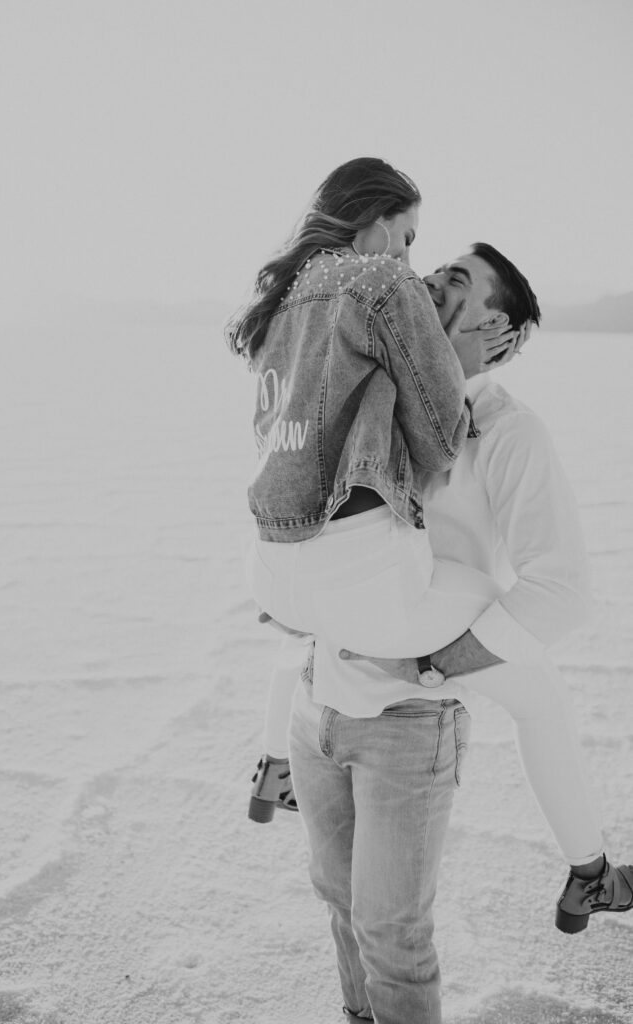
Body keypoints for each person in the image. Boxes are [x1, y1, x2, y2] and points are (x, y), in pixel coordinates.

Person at [285, 243, 633, 1024]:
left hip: (408, 723)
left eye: (455, 283)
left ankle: (589, 868)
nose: (430, 282)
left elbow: (561, 592)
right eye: (435, 271)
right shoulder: (370, 386)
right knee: (339, 909)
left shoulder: (508, 433)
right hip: (319, 702)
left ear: (499, 331)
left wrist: (437, 664)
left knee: (392, 938)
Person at [226, 157, 519, 823]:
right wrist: (459, 363)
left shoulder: (280, 299)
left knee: (329, 643)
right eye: (406, 236)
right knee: (510, 611)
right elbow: (440, 440)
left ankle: (276, 763)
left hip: (271, 569)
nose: (408, 257)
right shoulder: (383, 280)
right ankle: (587, 856)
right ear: (374, 220)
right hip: (357, 570)